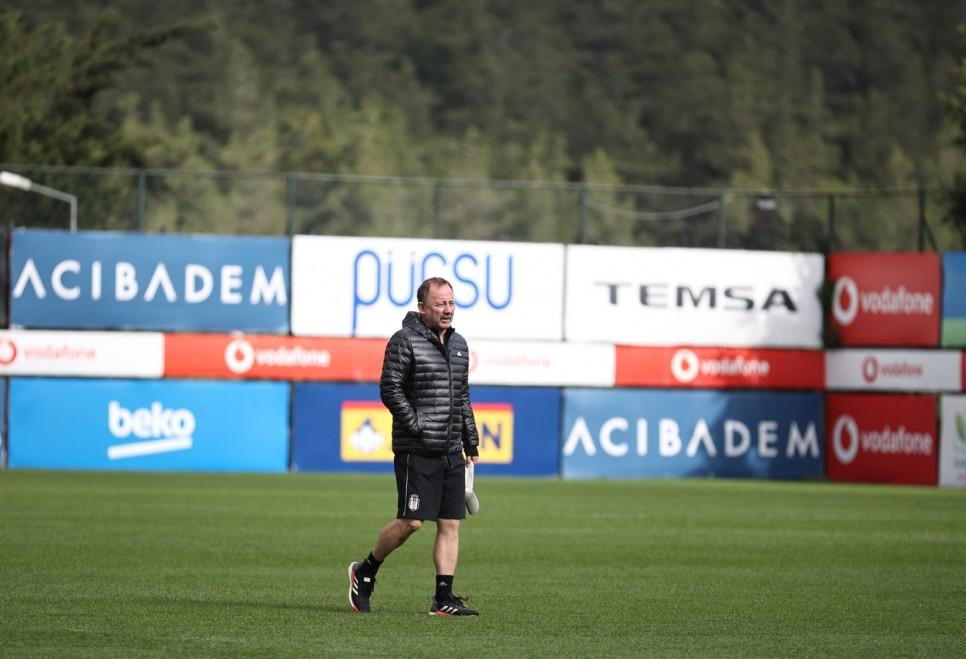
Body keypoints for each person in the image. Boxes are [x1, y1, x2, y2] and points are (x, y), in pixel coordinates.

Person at [348, 276, 481, 616]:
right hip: (417, 449)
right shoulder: (403, 340)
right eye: (440, 304)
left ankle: (443, 598)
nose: (448, 310)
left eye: (451, 303)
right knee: (411, 522)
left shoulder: (459, 344)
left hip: (450, 450)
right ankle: (365, 571)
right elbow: (389, 388)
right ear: (422, 307)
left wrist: (471, 440)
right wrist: (417, 425)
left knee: (451, 523)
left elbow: (462, 396)